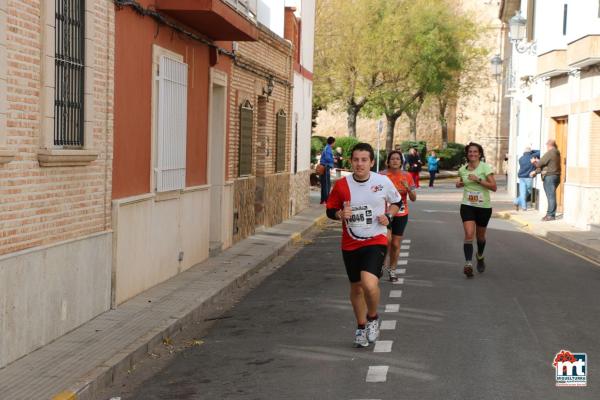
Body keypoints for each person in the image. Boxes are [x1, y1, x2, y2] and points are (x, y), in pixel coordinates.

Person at [326, 143, 403, 348]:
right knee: (356, 288)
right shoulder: (342, 185)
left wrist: (389, 215)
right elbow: (330, 209)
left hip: (375, 239)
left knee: (369, 283)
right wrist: (339, 214)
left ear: (371, 162)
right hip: (350, 242)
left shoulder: (382, 181)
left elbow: (398, 202)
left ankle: (372, 318)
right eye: (356, 160)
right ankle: (360, 327)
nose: (360, 164)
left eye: (364, 160)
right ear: (350, 161)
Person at [456, 142, 497, 278]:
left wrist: (478, 179)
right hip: (467, 205)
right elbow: (461, 181)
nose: (472, 154)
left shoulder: (485, 168)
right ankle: (468, 263)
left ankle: (480, 255)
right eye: (470, 152)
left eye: (475, 152)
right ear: (467, 154)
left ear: (479, 154)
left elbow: (493, 187)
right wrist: (459, 184)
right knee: (469, 234)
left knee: (480, 237)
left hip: (483, 207)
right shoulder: (462, 169)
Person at [380, 151, 416, 282]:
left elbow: (414, 199)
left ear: (401, 162)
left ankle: (392, 269)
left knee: (395, 244)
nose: (395, 161)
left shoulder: (407, 176)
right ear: (388, 161)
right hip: (385, 213)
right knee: (386, 241)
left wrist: (408, 189)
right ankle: (381, 265)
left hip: (401, 213)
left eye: (398, 159)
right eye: (392, 159)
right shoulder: (381, 175)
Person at [531, 139, 561, 221]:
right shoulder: (557, 152)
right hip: (556, 176)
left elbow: (540, 164)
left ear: (549, 145)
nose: (546, 147)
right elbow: (546, 164)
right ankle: (551, 214)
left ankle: (550, 215)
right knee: (552, 196)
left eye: (547, 145)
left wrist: (534, 162)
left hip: (550, 176)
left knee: (550, 196)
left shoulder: (550, 153)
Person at [513, 147, 539, 211]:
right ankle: (518, 203)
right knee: (529, 191)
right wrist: (533, 150)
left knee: (522, 193)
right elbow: (541, 152)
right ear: (530, 152)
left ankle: (519, 204)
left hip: (521, 177)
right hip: (528, 177)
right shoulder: (532, 156)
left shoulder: (521, 159)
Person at [319, 137, 335, 204]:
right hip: (325, 168)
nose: (335, 144)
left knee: (323, 184)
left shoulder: (326, 148)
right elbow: (328, 158)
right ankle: (326, 200)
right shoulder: (328, 149)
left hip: (323, 167)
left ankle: (323, 200)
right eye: (334, 142)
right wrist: (333, 160)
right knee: (326, 185)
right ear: (332, 142)